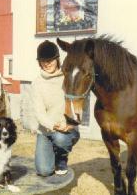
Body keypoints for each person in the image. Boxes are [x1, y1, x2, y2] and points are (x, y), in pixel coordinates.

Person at [31, 40, 80, 176]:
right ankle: (53, 151)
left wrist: (71, 123)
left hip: (66, 129)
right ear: (39, 62)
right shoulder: (37, 83)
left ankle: (61, 156)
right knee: (44, 171)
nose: (47, 64)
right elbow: (39, 113)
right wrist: (53, 125)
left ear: (57, 59)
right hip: (47, 130)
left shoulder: (68, 77)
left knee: (61, 139)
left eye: (50, 60)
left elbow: (78, 102)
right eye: (43, 61)